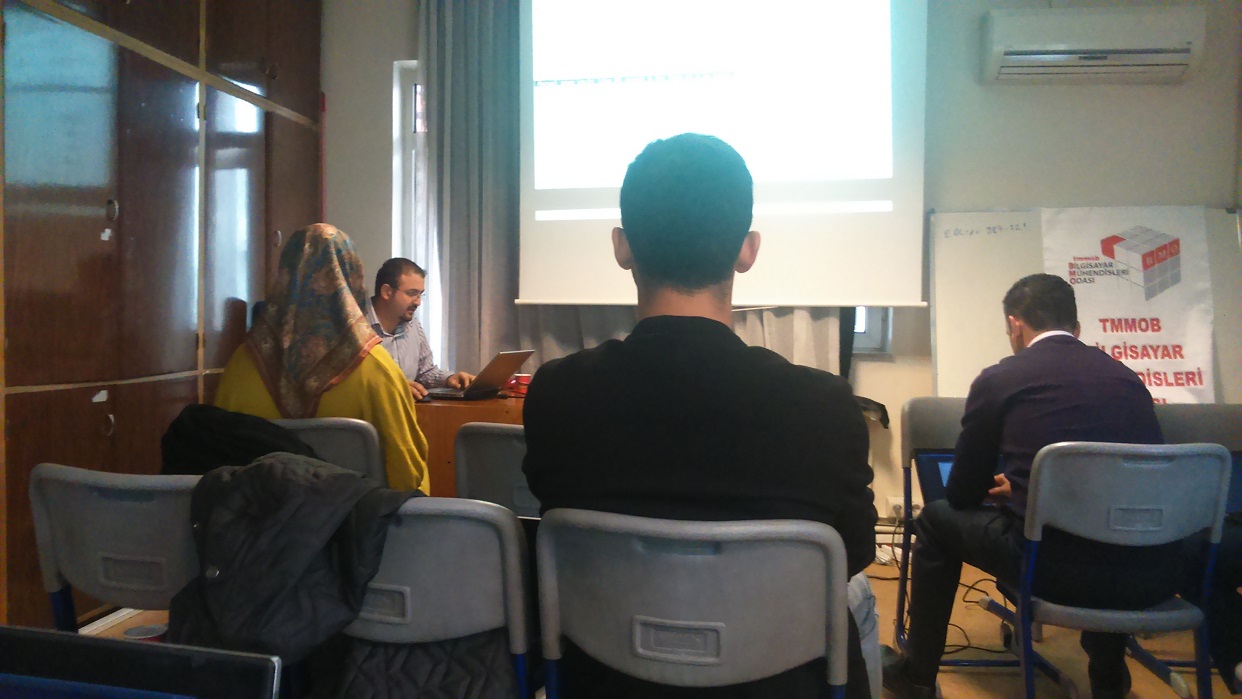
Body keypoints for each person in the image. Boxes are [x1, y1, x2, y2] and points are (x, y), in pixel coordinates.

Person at [522, 133, 879, 699]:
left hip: (609, 676)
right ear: (747, 250)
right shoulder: (825, 404)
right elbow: (854, 550)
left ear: (622, 247)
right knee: (858, 595)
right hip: (777, 682)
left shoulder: (557, 393)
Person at [882, 273, 1175, 699]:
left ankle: (917, 676)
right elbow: (1118, 484)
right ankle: (1109, 678)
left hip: (1051, 571)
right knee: (1105, 535)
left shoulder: (1002, 378)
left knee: (935, 520)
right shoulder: (1128, 380)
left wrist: (1010, 493)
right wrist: (1026, 489)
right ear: (1076, 328)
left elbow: (962, 492)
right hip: (1147, 571)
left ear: (1015, 325)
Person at [215, 223, 430, 493]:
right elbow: (407, 476)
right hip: (354, 516)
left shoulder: (241, 364)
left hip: (260, 514)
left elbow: (218, 458)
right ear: (351, 279)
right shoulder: (377, 370)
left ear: (285, 277)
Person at [366, 258, 475, 399]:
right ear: (387, 292)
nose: (418, 302)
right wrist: (392, 387)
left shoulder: (413, 324)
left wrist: (449, 379)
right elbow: (346, 384)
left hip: (412, 410)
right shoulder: (355, 326)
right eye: (411, 293)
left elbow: (425, 372)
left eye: (420, 294)